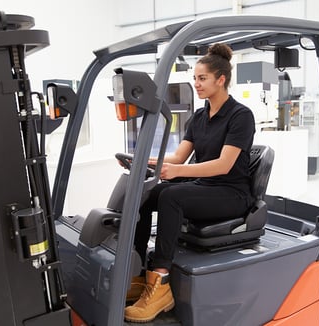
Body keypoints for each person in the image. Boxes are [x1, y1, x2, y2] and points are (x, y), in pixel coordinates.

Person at [124, 43, 256, 323]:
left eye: (202, 78)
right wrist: (142, 159)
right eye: (194, 78)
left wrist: (179, 171)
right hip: (205, 188)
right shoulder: (199, 116)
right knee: (148, 194)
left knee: (173, 197)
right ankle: (136, 275)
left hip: (231, 193)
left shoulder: (240, 116)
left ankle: (160, 286)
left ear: (221, 80)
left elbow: (224, 165)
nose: (196, 83)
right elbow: (178, 155)